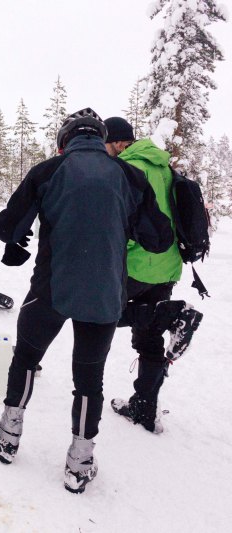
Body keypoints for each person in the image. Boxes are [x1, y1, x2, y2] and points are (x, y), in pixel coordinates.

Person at [0, 108, 173, 494]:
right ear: (101, 139)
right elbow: (159, 238)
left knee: (26, 358)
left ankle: (7, 436)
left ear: (64, 141)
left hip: (50, 290)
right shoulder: (128, 175)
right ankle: (79, 462)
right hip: (104, 294)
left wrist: (19, 242)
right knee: (89, 379)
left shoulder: (48, 171)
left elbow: (7, 227)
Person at [103, 117, 204, 434]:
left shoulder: (128, 169)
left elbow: (128, 224)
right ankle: (144, 409)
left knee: (99, 314)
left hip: (137, 264)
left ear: (119, 143)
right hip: (168, 265)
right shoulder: (162, 167)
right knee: (148, 337)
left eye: (105, 145)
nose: (103, 152)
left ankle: (172, 315)